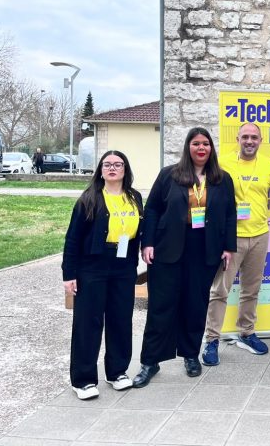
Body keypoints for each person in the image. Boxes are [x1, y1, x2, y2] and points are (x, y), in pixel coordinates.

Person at [133, 127, 236, 388]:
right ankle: (150, 361)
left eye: (205, 144)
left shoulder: (222, 179)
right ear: (188, 147)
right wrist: (148, 243)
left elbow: (229, 214)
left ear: (211, 148)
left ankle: (190, 355)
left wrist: (228, 247)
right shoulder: (169, 175)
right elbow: (152, 209)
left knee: (195, 304)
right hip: (168, 248)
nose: (201, 148)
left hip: (204, 250)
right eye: (196, 143)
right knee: (161, 306)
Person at [202, 123, 270, 364]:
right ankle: (211, 340)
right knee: (219, 290)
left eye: (254, 137)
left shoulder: (268, 165)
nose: (249, 141)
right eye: (245, 136)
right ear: (238, 138)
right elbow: (203, 190)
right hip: (230, 238)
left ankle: (246, 332)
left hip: (259, 235)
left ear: (260, 140)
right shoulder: (222, 163)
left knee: (251, 289)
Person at [61, 150, 143, 400]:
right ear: (100, 170)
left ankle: (117, 372)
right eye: (107, 164)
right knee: (89, 322)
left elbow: (141, 231)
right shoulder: (89, 199)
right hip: (92, 266)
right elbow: (73, 239)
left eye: (118, 164)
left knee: (120, 320)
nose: (112, 168)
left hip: (123, 267)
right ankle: (83, 380)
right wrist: (69, 274)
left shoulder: (135, 197)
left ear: (125, 169)